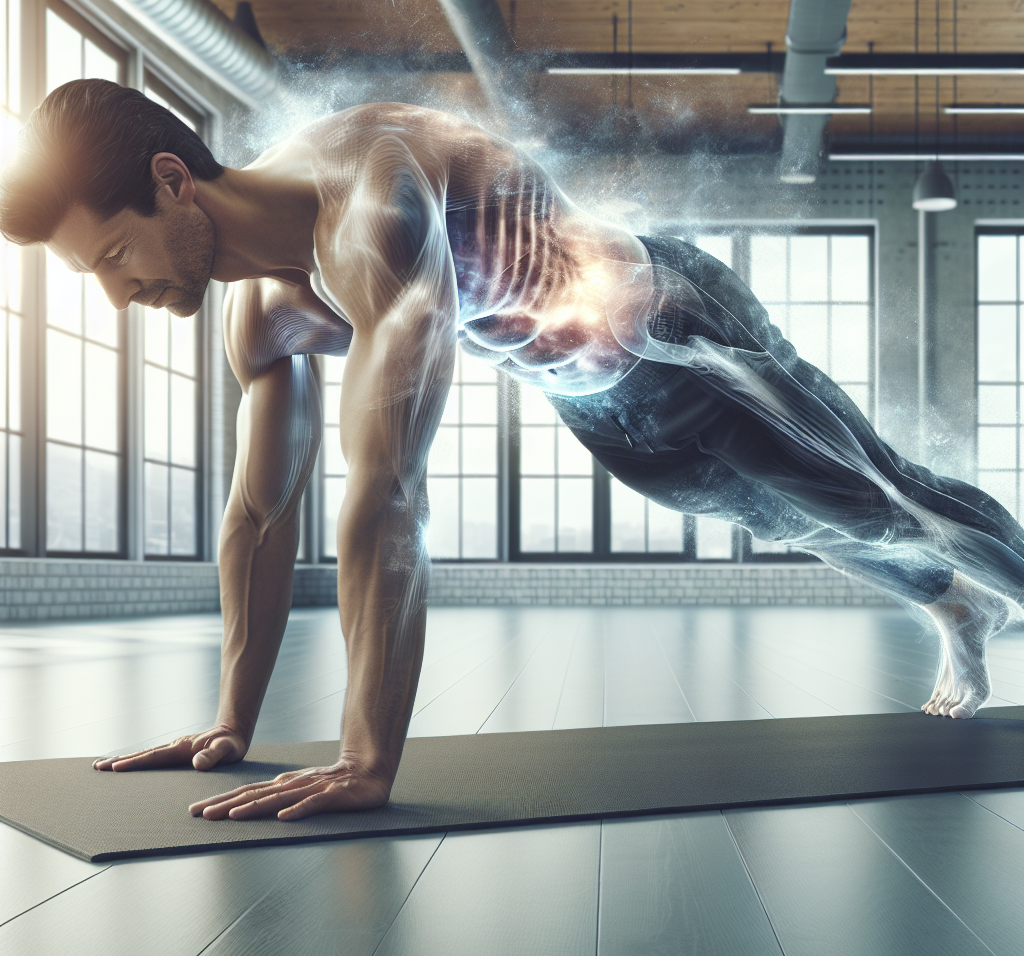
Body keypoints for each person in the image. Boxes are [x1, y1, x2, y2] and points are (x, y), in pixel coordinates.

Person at [1, 80, 1019, 823]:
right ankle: (956, 603)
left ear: (172, 181)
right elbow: (258, 516)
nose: (118, 295)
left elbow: (388, 495)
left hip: (676, 330)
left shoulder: (371, 204)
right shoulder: (263, 316)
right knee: (795, 518)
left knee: (877, 494)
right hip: (594, 398)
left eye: (114, 257)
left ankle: (965, 588)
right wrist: (229, 718)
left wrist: (367, 757)